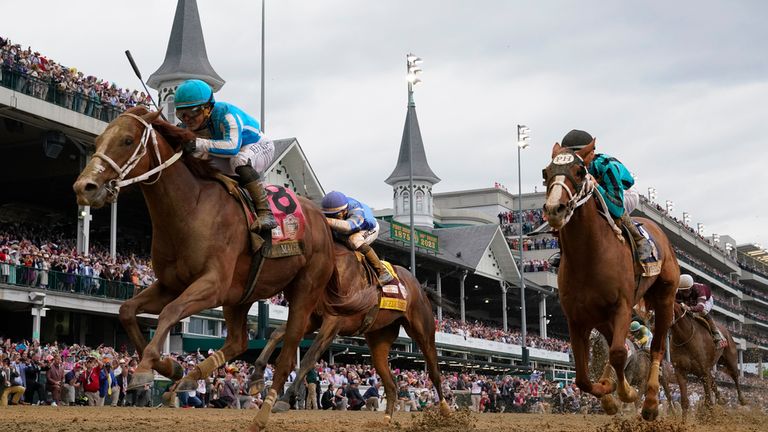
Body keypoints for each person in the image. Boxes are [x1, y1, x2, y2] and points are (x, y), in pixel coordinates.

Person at [174, 79, 276, 233]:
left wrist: (197, 143)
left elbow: (232, 147)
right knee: (198, 160)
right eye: (181, 114)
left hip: (259, 146)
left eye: (192, 112)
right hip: (230, 150)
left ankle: (265, 213)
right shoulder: (190, 124)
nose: (187, 119)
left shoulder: (226, 114)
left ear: (207, 108)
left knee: (238, 160)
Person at [555, 129, 652, 262]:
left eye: (579, 155)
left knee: (609, 208)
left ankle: (640, 240)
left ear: (591, 153)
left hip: (624, 193)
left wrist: (596, 186)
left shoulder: (607, 166)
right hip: (596, 190)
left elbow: (616, 207)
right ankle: (564, 249)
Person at [320, 191, 393, 285]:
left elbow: (348, 227)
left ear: (345, 210)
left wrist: (324, 219)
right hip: (347, 231)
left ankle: (383, 272)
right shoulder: (334, 211)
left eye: (336, 215)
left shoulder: (355, 207)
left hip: (368, 228)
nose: (333, 217)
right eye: (329, 215)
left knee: (354, 240)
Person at [677, 274, 723, 344]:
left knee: (703, 312)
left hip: (706, 300)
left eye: (687, 290)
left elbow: (700, 307)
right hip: (691, 300)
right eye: (683, 291)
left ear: (691, 287)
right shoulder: (678, 292)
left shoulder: (699, 289)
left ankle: (715, 332)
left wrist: (689, 308)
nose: (685, 293)